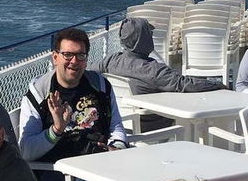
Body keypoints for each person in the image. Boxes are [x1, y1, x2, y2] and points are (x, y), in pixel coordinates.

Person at [18, 27, 128, 181]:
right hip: (58, 170)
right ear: (55, 57)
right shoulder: (39, 92)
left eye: (80, 55)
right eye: (67, 55)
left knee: (134, 173)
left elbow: (116, 125)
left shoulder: (100, 86)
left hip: (100, 157)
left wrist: (117, 148)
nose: (74, 62)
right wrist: (56, 130)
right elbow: (26, 150)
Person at [93, 17, 225, 131]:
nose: (151, 37)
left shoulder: (111, 61)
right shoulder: (153, 70)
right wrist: (217, 85)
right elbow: (185, 84)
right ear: (143, 40)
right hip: (151, 124)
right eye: (149, 34)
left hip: (120, 121)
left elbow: (90, 72)